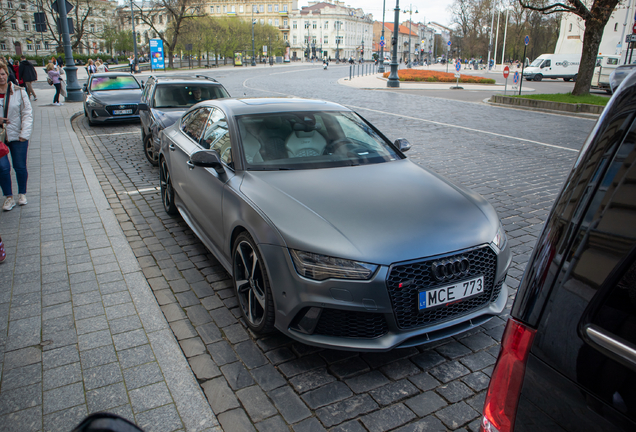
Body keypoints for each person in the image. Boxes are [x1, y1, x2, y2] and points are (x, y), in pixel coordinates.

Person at [0, 62, 33, 211]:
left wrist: (24, 134)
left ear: (7, 74)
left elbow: (27, 113)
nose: (0, 77)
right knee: (3, 167)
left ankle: (22, 194)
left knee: (19, 166)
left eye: (2, 74)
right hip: (0, 137)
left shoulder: (19, 91)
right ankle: (8, 197)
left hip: (17, 135)